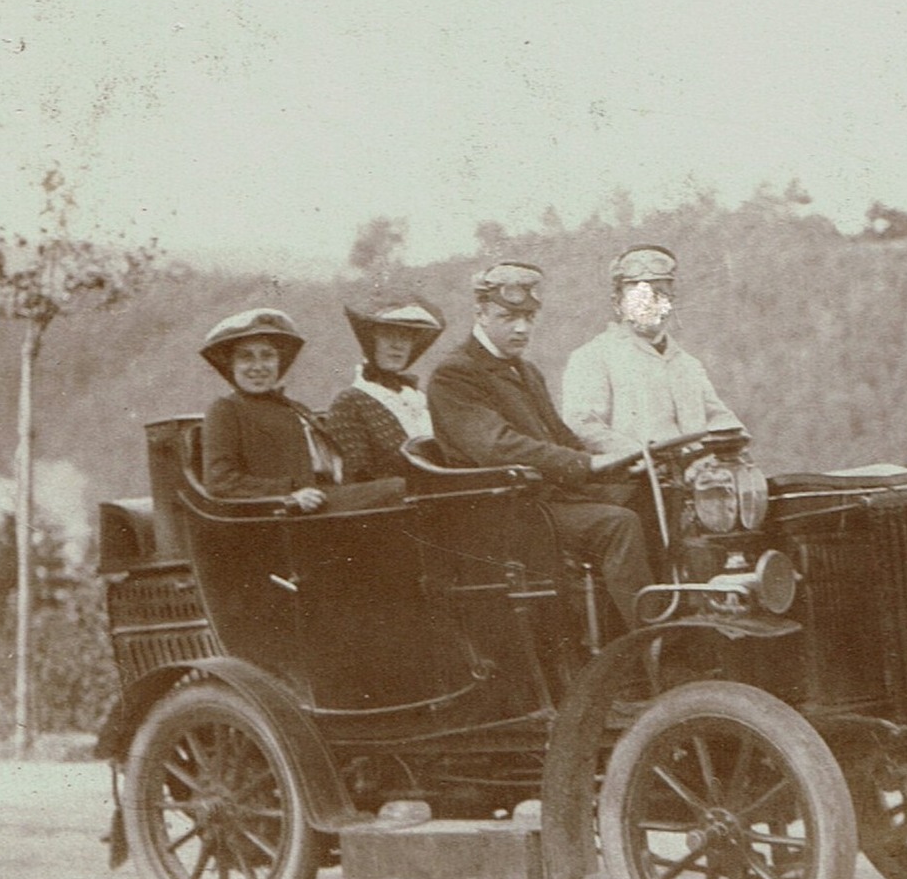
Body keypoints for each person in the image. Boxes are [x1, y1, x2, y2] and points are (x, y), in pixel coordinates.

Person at [426, 262, 653, 630]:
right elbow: (498, 446)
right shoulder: (455, 374)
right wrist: (586, 466)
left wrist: (616, 465)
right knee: (619, 525)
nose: (522, 327)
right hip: (507, 513)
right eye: (507, 316)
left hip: (545, 500)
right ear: (479, 314)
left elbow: (560, 437)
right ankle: (652, 647)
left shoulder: (525, 371)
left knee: (655, 496)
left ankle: (668, 620)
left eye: (529, 317)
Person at [199, 307, 404, 513]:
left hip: (331, 497)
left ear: (279, 361)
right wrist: (288, 493)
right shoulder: (226, 409)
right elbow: (221, 481)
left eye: (267, 356)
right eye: (246, 357)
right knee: (401, 489)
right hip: (293, 511)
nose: (258, 366)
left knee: (410, 486)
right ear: (231, 364)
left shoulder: (296, 408)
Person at [562, 245, 743, 455]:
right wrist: (643, 457)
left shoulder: (688, 364)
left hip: (697, 477)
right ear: (618, 303)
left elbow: (718, 418)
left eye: (660, 294)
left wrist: (733, 439)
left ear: (671, 302)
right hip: (634, 479)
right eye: (638, 296)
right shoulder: (592, 357)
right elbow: (583, 426)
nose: (649, 304)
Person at [326, 296, 445, 482]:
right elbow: (357, 479)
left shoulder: (417, 397)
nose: (398, 345)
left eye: (405, 336)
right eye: (388, 334)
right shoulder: (350, 402)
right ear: (370, 340)